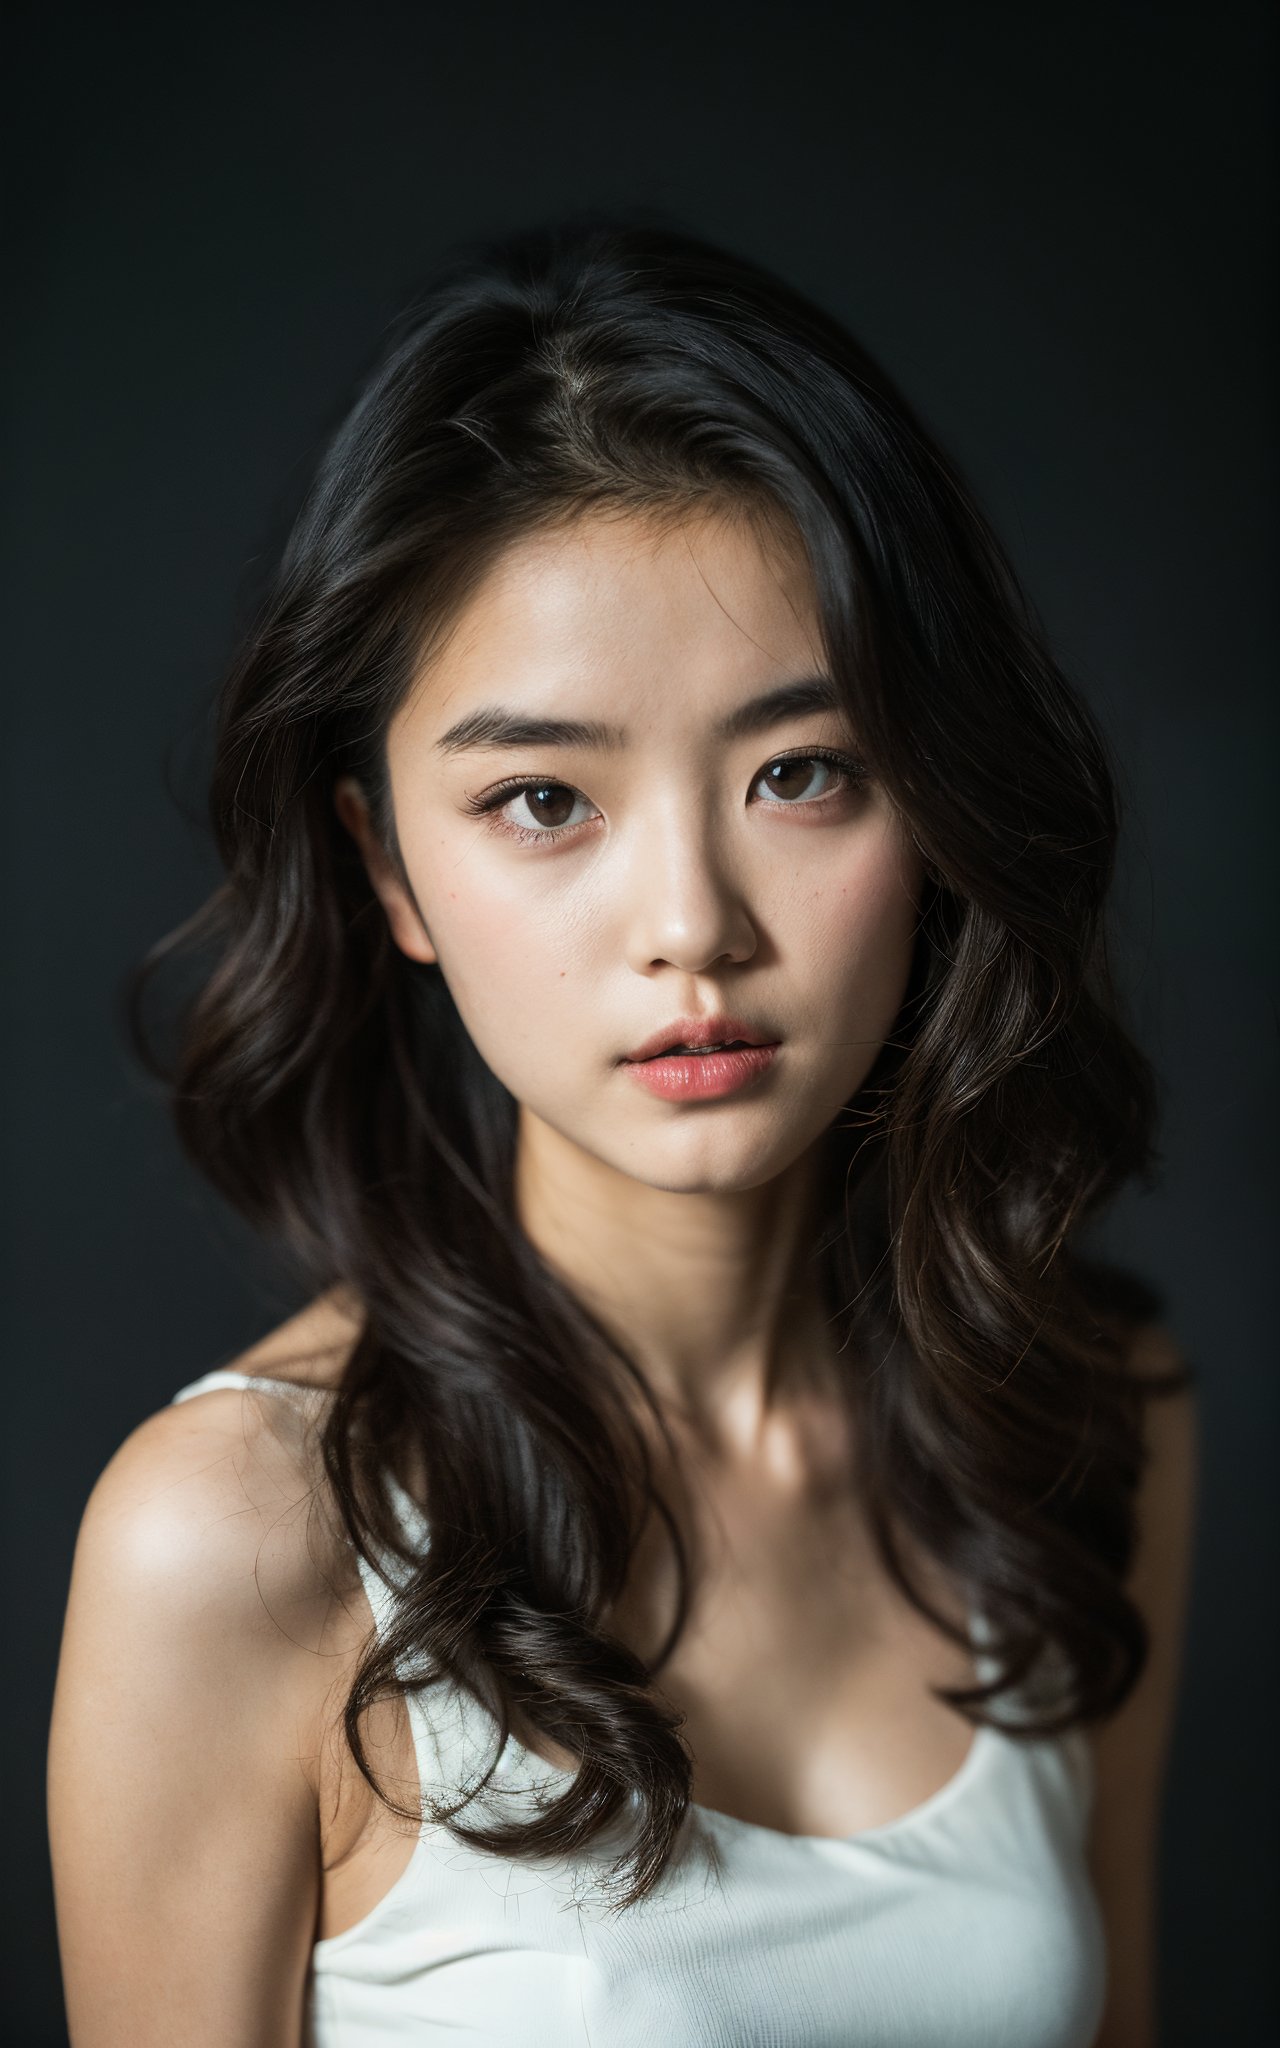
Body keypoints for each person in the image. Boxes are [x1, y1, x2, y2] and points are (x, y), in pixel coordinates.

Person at [47, 214, 1197, 2048]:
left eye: (799, 773)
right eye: (542, 799)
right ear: (386, 870)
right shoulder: (242, 1546)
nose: (692, 922)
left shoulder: (1077, 1423)